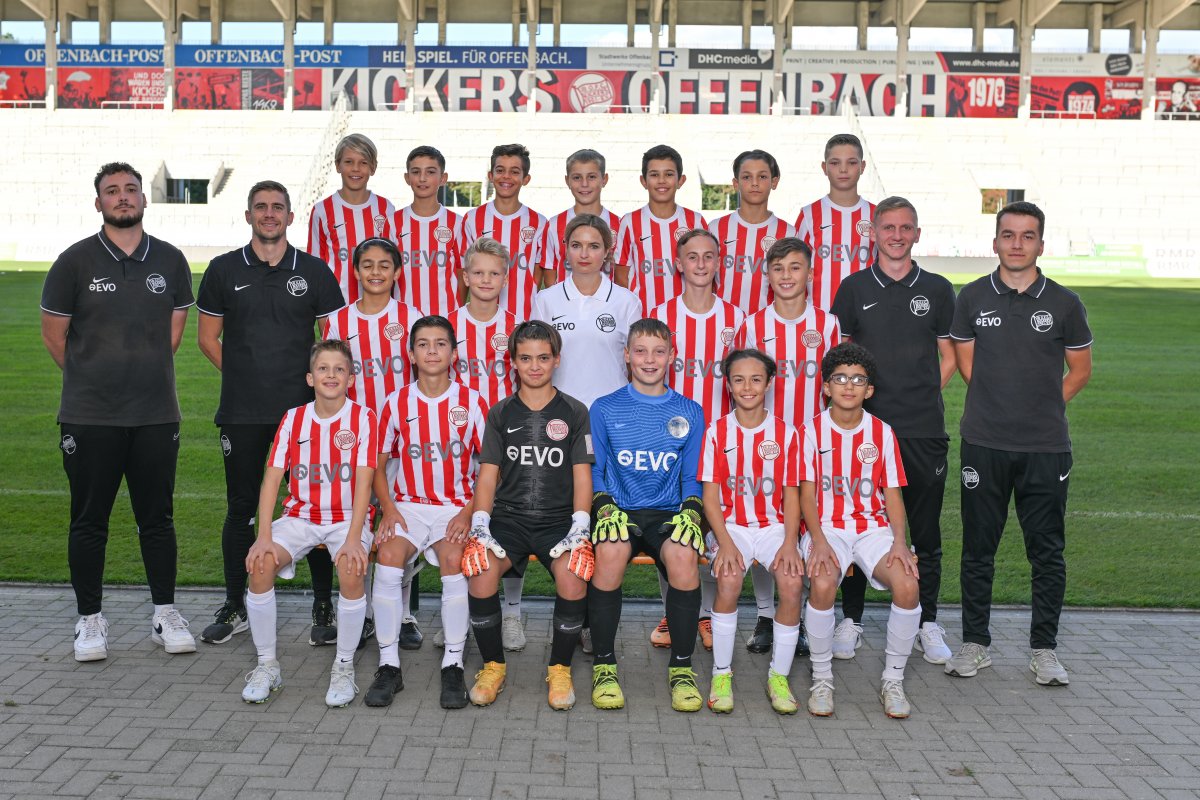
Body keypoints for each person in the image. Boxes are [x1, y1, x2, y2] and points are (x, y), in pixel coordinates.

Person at [41, 162, 196, 662]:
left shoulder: (170, 259)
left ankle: (165, 613)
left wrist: (139, 375)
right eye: (112, 191)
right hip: (90, 415)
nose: (123, 197)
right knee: (89, 520)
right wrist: (94, 379)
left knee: (158, 519)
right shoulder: (73, 261)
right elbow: (55, 337)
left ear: (144, 200)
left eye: (131, 189)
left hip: (155, 413)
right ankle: (89, 620)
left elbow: (173, 334)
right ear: (99, 202)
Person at [946, 201, 1092, 686]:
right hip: (984, 442)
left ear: (1040, 245)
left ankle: (1044, 650)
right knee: (978, 548)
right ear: (995, 242)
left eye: (1027, 236)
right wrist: (999, 403)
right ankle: (975, 644)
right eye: (1008, 235)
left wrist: (1041, 406)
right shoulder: (971, 297)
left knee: (1046, 551)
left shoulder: (1065, 303)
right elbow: (967, 364)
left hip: (1045, 447)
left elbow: (1080, 370)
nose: (1016, 244)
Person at [196, 180, 345, 647]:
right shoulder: (223, 270)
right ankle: (235, 604)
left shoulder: (314, 271)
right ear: (248, 215)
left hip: (305, 414)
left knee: (314, 504)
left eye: (277, 207)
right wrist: (246, 377)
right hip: (242, 412)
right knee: (241, 506)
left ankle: (324, 605)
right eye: (260, 206)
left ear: (289, 216)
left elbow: (333, 342)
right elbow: (207, 338)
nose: (269, 214)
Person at [829, 197, 957, 664]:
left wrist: (921, 393)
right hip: (863, 431)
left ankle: (927, 622)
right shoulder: (854, 287)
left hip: (922, 429)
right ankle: (851, 619)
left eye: (905, 228)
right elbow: (842, 358)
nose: (897, 236)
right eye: (889, 227)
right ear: (874, 233)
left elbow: (949, 355)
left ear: (917, 234)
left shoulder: (939, 289)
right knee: (857, 522)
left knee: (924, 530)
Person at [462, 321, 596, 710]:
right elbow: (488, 475)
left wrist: (580, 526)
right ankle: (493, 666)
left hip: (558, 521)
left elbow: (582, 475)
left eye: (542, 358)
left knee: (574, 576)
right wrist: (480, 524)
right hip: (509, 518)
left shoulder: (575, 411)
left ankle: (560, 669)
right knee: (480, 572)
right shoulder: (501, 413)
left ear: (557, 360)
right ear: (513, 362)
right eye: (525, 358)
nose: (534, 366)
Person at [240, 339, 377, 707]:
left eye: (339, 369)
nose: (331, 375)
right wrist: (263, 536)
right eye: (323, 368)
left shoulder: (364, 418)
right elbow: (272, 479)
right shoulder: (293, 418)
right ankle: (267, 665)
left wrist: (354, 539)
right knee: (260, 564)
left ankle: (344, 667)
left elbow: (364, 483)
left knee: (351, 568)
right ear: (310, 377)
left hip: (346, 519)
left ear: (351, 378)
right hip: (300, 516)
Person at [368, 315, 488, 709]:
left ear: (454, 354)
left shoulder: (472, 401)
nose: (432, 351)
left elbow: (492, 468)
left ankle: (453, 663)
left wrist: (467, 513)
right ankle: (389, 664)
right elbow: (377, 465)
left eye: (440, 344)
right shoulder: (396, 402)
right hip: (407, 506)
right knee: (388, 557)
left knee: (454, 559)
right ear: (411, 354)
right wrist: (388, 509)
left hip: (455, 506)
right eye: (423, 344)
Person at [587, 318, 707, 711]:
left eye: (658, 351)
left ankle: (682, 669)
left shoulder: (689, 411)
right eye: (640, 351)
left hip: (667, 512)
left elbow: (692, 476)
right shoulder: (604, 407)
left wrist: (691, 510)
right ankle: (604, 665)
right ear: (626, 355)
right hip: (619, 509)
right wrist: (603, 504)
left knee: (684, 556)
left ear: (672, 356)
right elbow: (595, 469)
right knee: (609, 553)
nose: (649, 359)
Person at [800, 342, 921, 719]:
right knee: (822, 583)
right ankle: (822, 678)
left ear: (869, 390)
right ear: (826, 387)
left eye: (858, 379)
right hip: (826, 529)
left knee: (908, 584)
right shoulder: (810, 431)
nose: (848, 386)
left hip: (873, 529)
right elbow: (806, 495)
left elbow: (893, 493)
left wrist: (900, 542)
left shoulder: (882, 432)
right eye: (840, 378)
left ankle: (893, 680)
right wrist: (818, 541)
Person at [733, 237, 840, 654]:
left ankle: (803, 618)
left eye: (795, 267)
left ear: (810, 273)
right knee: (768, 525)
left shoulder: (827, 325)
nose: (787, 276)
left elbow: (835, 388)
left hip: (812, 444)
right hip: (766, 445)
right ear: (767, 276)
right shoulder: (753, 325)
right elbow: (744, 385)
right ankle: (766, 615)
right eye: (778, 268)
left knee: (808, 528)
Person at [323, 238, 425, 649]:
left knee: (398, 527)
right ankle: (363, 612)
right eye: (368, 264)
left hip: (402, 442)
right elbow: (331, 380)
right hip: (356, 444)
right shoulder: (338, 321)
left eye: (385, 265)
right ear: (356, 271)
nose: (376, 272)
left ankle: (403, 615)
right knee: (358, 527)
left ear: (397, 272)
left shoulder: (411, 318)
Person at [649, 228, 746, 651]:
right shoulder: (661, 315)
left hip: (720, 437)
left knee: (708, 521)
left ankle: (704, 614)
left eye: (709, 256)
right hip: (670, 437)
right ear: (679, 263)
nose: (701, 263)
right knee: (670, 521)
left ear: (718, 263)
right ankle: (672, 611)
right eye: (693, 256)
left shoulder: (736, 318)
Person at [699, 349, 804, 715]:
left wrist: (790, 543)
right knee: (729, 580)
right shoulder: (717, 431)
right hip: (731, 527)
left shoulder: (786, 433)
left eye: (756, 379)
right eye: (739, 380)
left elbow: (792, 495)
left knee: (792, 583)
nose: (747, 387)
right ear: (728, 385)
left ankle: (779, 676)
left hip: (774, 527)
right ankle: (721, 675)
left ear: (769, 383)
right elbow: (710, 497)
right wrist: (725, 543)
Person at [450, 238, 525, 651]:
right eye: (477, 272)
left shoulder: (517, 327)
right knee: (458, 524)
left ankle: (511, 612)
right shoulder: (446, 326)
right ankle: (459, 611)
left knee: (509, 523)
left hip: (506, 440)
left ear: (505, 279)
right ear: (465, 276)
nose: (485, 279)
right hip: (456, 440)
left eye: (494, 273)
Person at [531, 214, 641, 409]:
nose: (584, 254)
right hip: (559, 411)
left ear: (607, 251)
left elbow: (637, 366)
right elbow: (535, 362)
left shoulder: (627, 302)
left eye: (594, 246)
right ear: (566, 250)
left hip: (613, 411)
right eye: (576, 245)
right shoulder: (545, 300)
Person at [459, 143, 547, 321]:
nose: (506, 176)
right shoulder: (472, 219)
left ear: (526, 179)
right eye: (500, 170)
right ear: (491, 176)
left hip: (523, 319)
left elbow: (537, 276)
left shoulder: (539, 222)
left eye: (514, 171)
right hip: (480, 320)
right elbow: (464, 272)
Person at [614, 144, 706, 314]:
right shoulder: (629, 222)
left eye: (669, 174)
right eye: (654, 174)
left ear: (681, 180)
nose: (662, 180)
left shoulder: (695, 221)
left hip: (685, 316)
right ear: (643, 181)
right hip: (643, 317)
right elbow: (621, 275)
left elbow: (706, 271)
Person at [307, 133, 396, 305]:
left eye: (363, 162)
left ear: (373, 167)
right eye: (348, 162)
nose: (356, 168)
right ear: (337, 165)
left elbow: (392, 260)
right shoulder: (322, 210)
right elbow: (314, 264)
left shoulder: (386, 209)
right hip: (335, 305)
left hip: (378, 305)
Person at [794, 133, 876, 312]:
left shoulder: (877, 215)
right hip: (819, 317)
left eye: (851, 162)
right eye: (835, 163)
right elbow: (795, 268)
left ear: (862, 167)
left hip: (867, 316)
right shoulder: (809, 215)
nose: (843, 169)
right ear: (824, 168)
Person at [708, 149, 795, 314]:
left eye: (762, 177)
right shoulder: (715, 228)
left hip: (768, 323)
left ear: (774, 182)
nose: (755, 183)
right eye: (747, 177)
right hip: (722, 321)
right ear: (736, 183)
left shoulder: (788, 233)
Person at [393, 145, 464, 316]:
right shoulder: (392, 222)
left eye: (430, 172)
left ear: (443, 178)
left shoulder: (457, 223)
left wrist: (456, 313)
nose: (422, 178)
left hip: (445, 317)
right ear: (407, 178)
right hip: (403, 317)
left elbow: (462, 273)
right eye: (416, 172)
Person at [539, 149, 621, 285]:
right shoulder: (554, 224)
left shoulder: (619, 225)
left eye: (591, 177)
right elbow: (550, 276)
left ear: (604, 179)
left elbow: (623, 275)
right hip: (565, 299)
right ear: (567, 181)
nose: (584, 184)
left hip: (608, 299)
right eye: (577, 177)